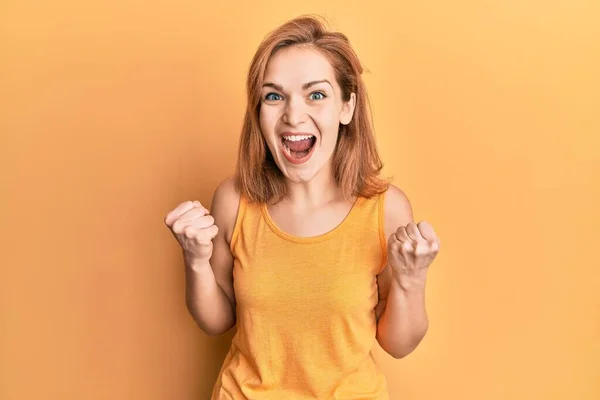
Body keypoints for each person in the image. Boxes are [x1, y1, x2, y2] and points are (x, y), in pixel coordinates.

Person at [164, 14, 440, 400]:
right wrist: (195, 259)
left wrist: (412, 280)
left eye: (316, 95)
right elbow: (217, 320)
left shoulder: (386, 210)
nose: (293, 115)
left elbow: (398, 343)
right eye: (274, 96)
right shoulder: (233, 201)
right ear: (258, 112)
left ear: (346, 107)